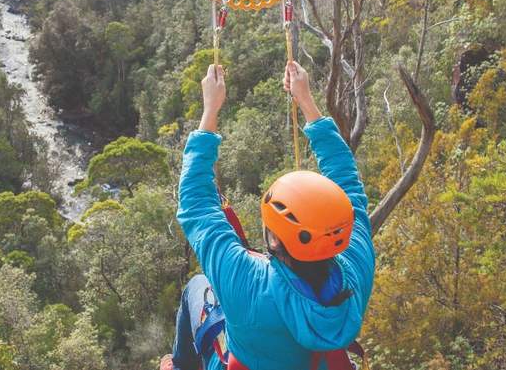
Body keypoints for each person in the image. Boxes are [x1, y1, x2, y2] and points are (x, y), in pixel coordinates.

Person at [161, 61, 376, 370]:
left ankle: (181, 366)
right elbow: (349, 185)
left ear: (273, 239)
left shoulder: (248, 281)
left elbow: (196, 204)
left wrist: (210, 110)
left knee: (196, 285)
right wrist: (306, 101)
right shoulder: (356, 265)